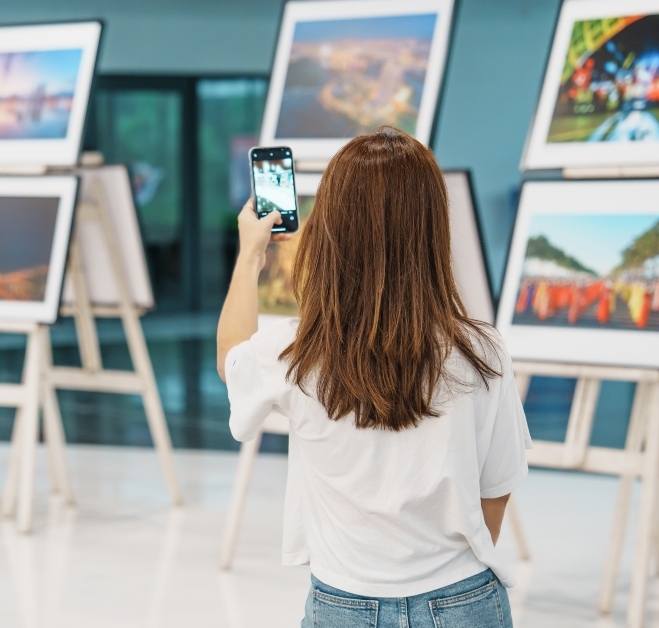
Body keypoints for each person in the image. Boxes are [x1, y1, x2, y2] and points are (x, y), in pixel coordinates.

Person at [217, 127, 530, 627]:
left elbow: (232, 358)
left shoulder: (293, 352)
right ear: (434, 231)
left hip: (343, 603)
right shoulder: (482, 351)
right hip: (463, 601)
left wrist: (251, 253)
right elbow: (498, 488)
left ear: (329, 229)